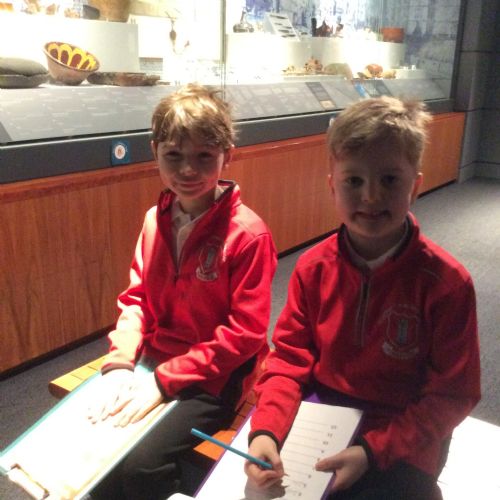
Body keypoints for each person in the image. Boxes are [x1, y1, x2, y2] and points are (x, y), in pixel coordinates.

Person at [245, 96, 481, 500]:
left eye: (389, 180)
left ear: (415, 185)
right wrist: (265, 431)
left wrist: (372, 451)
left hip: (402, 434)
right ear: (332, 186)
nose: (371, 197)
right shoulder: (312, 268)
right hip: (322, 420)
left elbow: (452, 394)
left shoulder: (447, 284)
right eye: (354, 181)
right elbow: (288, 361)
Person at [88, 83, 277, 500]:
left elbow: (245, 335)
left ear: (227, 154)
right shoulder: (154, 221)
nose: (188, 170)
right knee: (99, 450)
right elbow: (136, 300)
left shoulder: (248, 234)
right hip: (155, 358)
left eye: (204, 156)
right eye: (174, 156)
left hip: (217, 376)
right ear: (154, 151)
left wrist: (164, 382)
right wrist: (120, 363)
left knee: (142, 465)